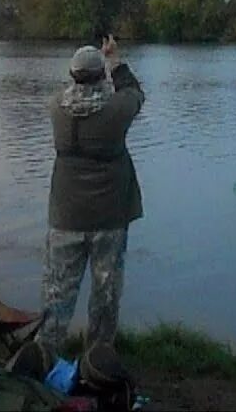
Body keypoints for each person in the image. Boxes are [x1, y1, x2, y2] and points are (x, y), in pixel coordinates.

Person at [38, 34, 145, 353]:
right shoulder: (116, 109)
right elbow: (135, 92)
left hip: (65, 217)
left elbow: (77, 88)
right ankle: (98, 356)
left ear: (72, 75)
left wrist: (92, 65)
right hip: (109, 217)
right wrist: (113, 59)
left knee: (57, 291)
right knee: (106, 292)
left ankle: (45, 354)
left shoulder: (56, 107)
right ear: (101, 76)